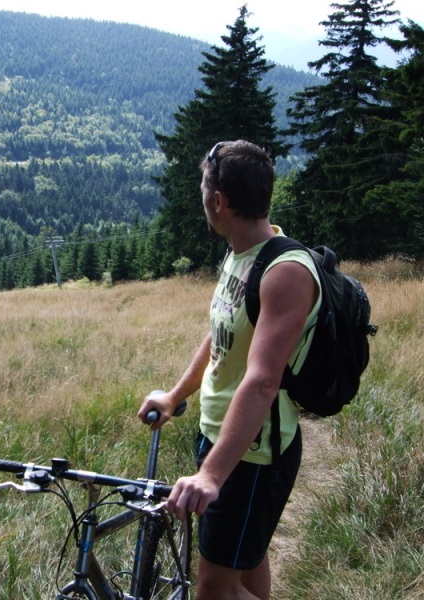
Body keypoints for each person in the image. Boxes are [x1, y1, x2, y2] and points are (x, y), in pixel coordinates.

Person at [138, 140, 321, 600]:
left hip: (253, 454)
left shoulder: (285, 272)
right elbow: (221, 337)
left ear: (218, 201)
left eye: (203, 191)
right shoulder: (239, 252)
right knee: (246, 560)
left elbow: (262, 381)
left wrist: (213, 475)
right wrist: (176, 396)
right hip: (222, 438)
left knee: (213, 590)